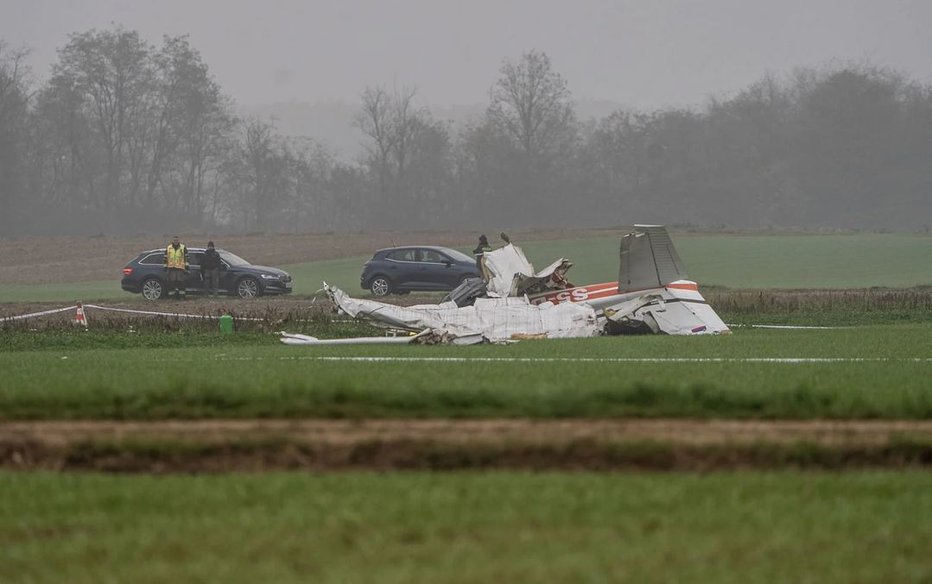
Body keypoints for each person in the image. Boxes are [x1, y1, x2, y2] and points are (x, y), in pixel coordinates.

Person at [163, 235, 188, 300]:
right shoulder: (168, 248)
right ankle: (171, 297)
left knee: (181, 283)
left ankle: (182, 297)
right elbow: (165, 258)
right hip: (171, 269)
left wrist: (187, 268)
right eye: (174, 240)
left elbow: (187, 259)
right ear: (172, 240)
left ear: (179, 240)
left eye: (177, 240)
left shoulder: (183, 247)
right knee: (171, 284)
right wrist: (165, 268)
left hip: (180, 268)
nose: (175, 241)